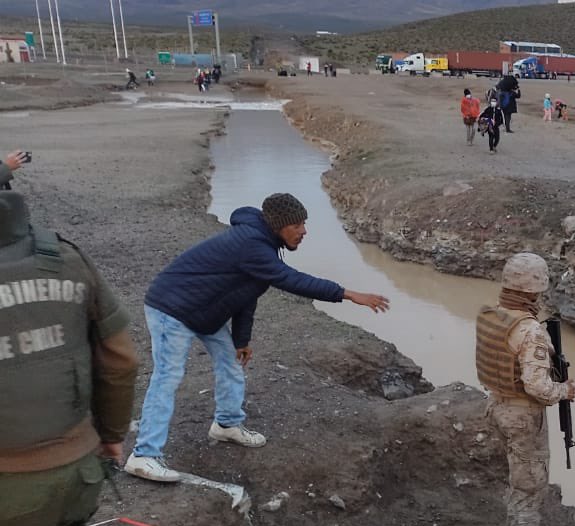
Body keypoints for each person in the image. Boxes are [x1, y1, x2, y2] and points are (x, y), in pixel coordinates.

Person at [123, 194, 390, 483]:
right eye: (297, 225)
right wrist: (348, 294)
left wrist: (241, 340)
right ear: (278, 225)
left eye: (305, 223)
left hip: (203, 311)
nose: (304, 231)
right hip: (171, 309)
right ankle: (143, 455)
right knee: (168, 376)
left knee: (231, 361)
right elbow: (291, 280)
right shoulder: (251, 245)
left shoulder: (264, 248)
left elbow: (247, 295)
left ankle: (226, 424)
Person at [0, 191, 139, 526]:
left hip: (9, 486)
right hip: (77, 474)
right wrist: (110, 432)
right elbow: (121, 359)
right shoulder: (65, 257)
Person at [477, 253, 575, 526]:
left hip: (498, 407)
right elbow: (538, 387)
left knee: (518, 475)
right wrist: (565, 391)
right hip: (522, 415)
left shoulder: (494, 315)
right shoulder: (530, 330)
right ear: (535, 291)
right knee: (531, 482)